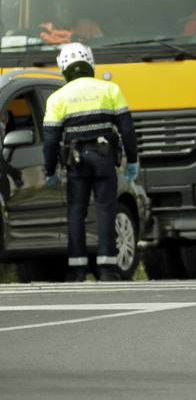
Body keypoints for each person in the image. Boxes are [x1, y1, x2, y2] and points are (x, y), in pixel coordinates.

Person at [41, 43, 138, 282]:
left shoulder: (57, 98)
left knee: (76, 212)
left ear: (63, 67)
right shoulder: (111, 89)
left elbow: (51, 140)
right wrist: (132, 160)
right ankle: (107, 269)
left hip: (76, 162)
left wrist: (50, 169)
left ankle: (77, 270)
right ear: (90, 63)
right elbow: (127, 130)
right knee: (106, 209)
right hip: (105, 159)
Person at [38, 0, 103, 45]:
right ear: (54, 12)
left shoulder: (89, 26)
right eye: (63, 8)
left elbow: (101, 45)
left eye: (69, 7)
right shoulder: (44, 29)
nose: (67, 11)